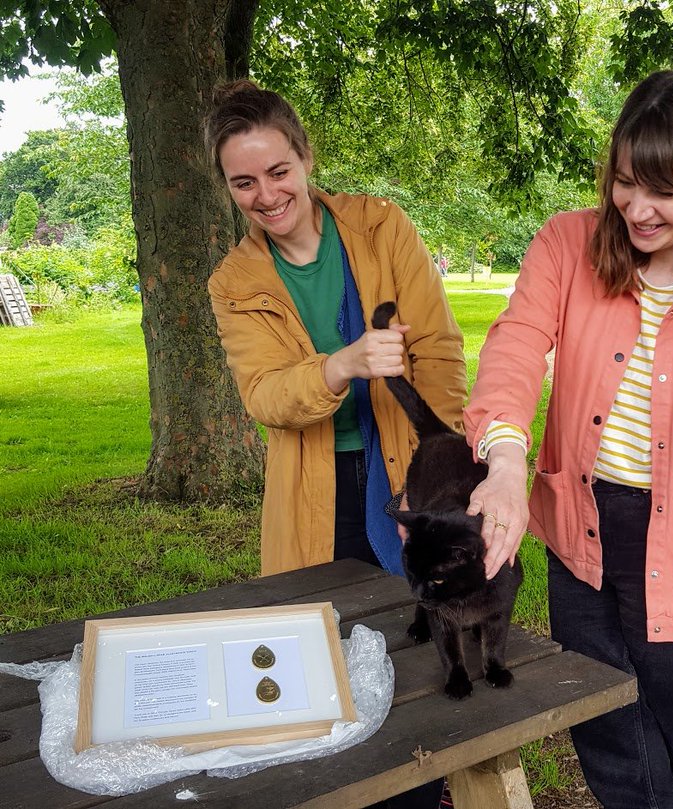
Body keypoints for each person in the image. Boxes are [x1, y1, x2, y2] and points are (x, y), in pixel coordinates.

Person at [462, 67, 673, 809]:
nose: (638, 209)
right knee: (612, 739)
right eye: (624, 182)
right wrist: (504, 458)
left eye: (667, 192)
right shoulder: (566, 243)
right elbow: (515, 349)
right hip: (580, 538)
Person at [204, 80, 463, 809]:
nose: (267, 194)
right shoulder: (235, 279)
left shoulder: (381, 226)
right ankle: (353, 785)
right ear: (228, 187)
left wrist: (441, 463)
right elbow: (265, 394)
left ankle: (425, 784)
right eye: (244, 182)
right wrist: (341, 363)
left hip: (407, 468)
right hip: (316, 485)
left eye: (279, 171)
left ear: (306, 157)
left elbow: (438, 349)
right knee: (326, 645)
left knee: (426, 626)